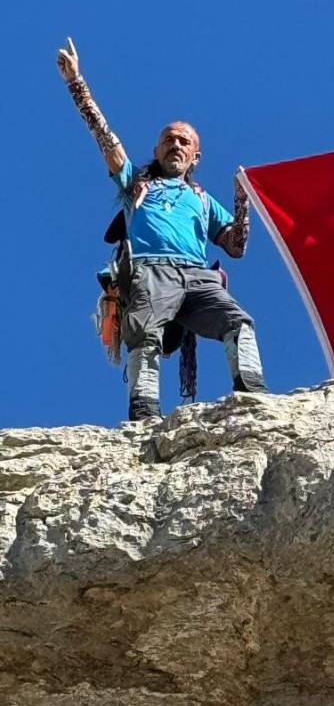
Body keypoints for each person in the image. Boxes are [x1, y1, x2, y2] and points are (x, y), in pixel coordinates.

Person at [57, 37, 267, 421]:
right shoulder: (138, 186)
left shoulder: (203, 200)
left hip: (198, 275)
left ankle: (253, 394)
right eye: (168, 139)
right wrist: (77, 84)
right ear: (156, 151)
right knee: (146, 336)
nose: (175, 144)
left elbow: (235, 246)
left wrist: (242, 202)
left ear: (195, 156)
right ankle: (144, 414)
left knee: (239, 323)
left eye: (183, 141)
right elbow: (107, 143)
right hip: (151, 271)